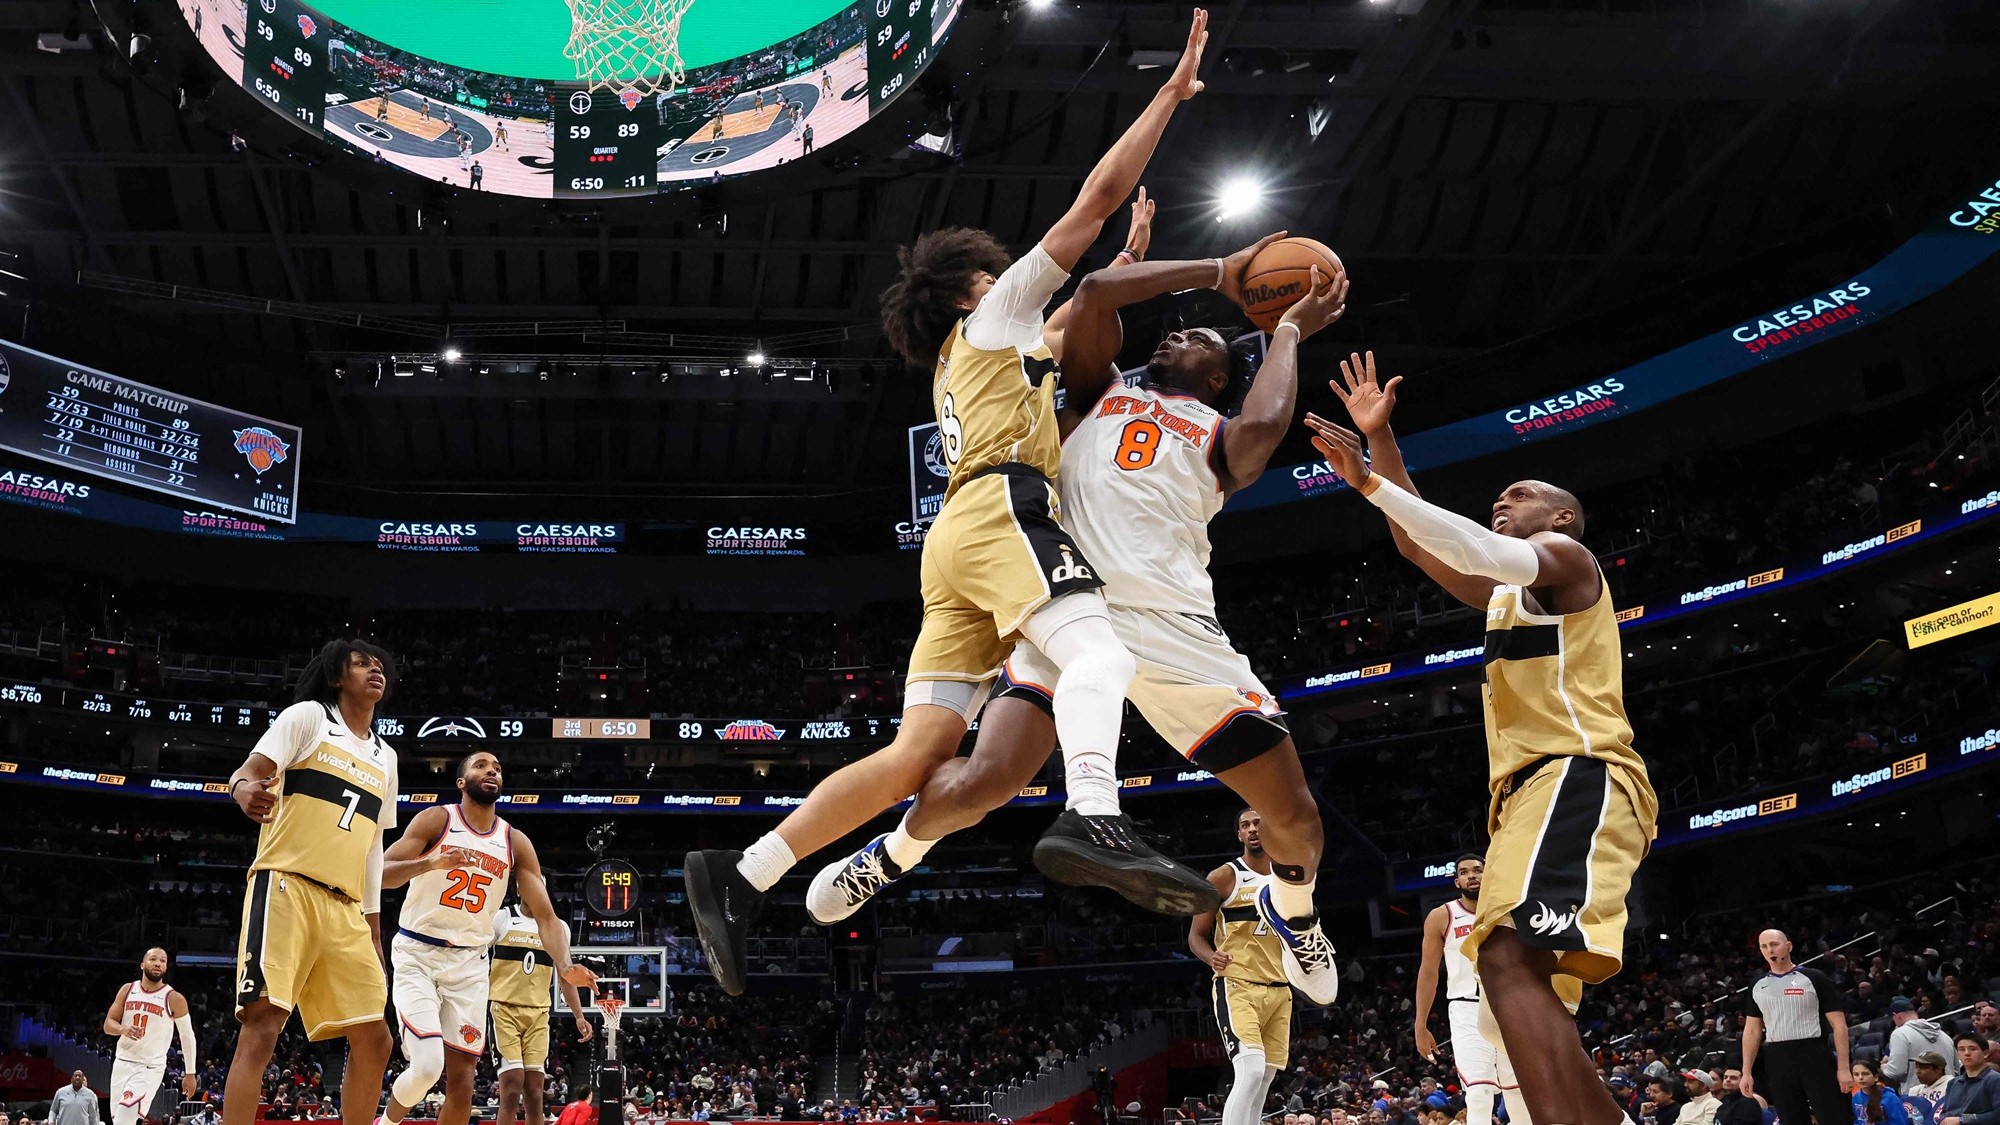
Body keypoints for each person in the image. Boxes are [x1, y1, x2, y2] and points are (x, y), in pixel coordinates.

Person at [682, 9, 1220, 995]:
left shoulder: (971, 355)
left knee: (917, 754)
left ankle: (742, 871)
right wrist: (1167, 97)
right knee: (1100, 653)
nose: (1014, 270)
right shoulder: (996, 312)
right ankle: (1093, 813)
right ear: (975, 286)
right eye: (1000, 268)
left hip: (955, 541)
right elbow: (1094, 200)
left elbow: (1083, 311)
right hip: (1005, 510)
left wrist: (1129, 259)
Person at [805, 217, 1350, 1004]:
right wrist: (1201, 269)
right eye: (1173, 332)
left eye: (1198, 339)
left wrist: (1289, 328)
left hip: (1175, 630)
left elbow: (1266, 427)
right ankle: (890, 854)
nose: (1175, 337)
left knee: (1294, 813)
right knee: (985, 779)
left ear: (1220, 376)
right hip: (1067, 604)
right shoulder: (1102, 390)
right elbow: (1093, 291)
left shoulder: (1221, 435)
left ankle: (1295, 914)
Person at [1311, 356, 1657, 1125]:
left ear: (1562, 518)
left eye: (1521, 494)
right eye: (1500, 496)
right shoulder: (1509, 594)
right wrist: (1382, 441)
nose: (1502, 499)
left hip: (1578, 772)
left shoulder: (1568, 560)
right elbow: (1421, 548)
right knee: (1513, 983)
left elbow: (1469, 547)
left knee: (1504, 960)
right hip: (1525, 799)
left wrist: (1369, 481)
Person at [223, 640, 400, 1125]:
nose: (375, 670)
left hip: (346, 908)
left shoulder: (387, 757)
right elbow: (246, 773)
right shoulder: (308, 718)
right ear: (337, 676)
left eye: (379, 665)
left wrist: (374, 927)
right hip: (286, 886)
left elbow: (373, 849)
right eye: (361, 663)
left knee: (376, 1039)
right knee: (263, 1024)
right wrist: (243, 790)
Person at [376, 752, 596, 1125]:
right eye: (480, 765)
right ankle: (386, 1123)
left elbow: (546, 917)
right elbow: (380, 874)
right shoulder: (437, 819)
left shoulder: (515, 842)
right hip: (419, 953)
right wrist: (431, 862)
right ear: (461, 782)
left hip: (470, 964)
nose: (491, 770)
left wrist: (565, 964)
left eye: (497, 767)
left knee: (463, 1083)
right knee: (428, 1067)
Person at [1188, 810, 1295, 1125]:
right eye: (1245, 825)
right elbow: (1195, 936)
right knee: (1250, 1071)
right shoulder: (1224, 876)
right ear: (1239, 835)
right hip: (1238, 985)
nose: (1252, 829)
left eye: (1258, 823)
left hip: (1280, 989)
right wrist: (1210, 957)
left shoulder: (1289, 876)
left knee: (1264, 1079)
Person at [1416, 855, 1506, 1125]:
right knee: (1478, 1093)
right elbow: (1428, 972)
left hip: (1508, 1005)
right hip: (1467, 1008)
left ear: (1488, 875)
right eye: (1464, 872)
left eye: (1477, 870)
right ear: (1457, 882)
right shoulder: (1442, 916)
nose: (1472, 876)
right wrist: (1420, 1024)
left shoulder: (1506, 910)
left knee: (1518, 1091)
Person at [492, 900, 594, 1125]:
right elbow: (477, 957)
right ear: (520, 889)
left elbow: (566, 975)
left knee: (535, 1093)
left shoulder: (558, 927)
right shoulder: (502, 918)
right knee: (512, 1087)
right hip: (503, 1009)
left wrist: (579, 1015)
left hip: (538, 1013)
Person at [1740, 930, 1853, 1125]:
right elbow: (1752, 1031)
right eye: (1764, 946)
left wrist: (1843, 1068)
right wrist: (1746, 1072)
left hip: (1814, 1053)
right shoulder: (1756, 984)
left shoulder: (1814, 977)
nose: (1770, 950)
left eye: (1774, 944)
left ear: (1788, 946)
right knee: (1791, 1118)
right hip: (1777, 1057)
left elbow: (1839, 1025)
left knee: (1833, 1116)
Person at [102, 947, 200, 1125]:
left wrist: (190, 1073)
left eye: (162, 961)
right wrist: (123, 1029)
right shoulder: (127, 990)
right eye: (153, 959)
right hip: (122, 1062)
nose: (158, 964)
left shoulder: (174, 998)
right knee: (119, 1121)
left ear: (166, 967)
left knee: (125, 1116)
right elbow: (108, 1024)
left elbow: (187, 1036)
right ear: (142, 964)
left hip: (149, 1067)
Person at [1887, 999, 1960, 1094]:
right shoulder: (1944, 1036)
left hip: (1917, 1096)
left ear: (1897, 1016)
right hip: (1948, 1093)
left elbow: (1896, 1070)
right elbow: (1956, 1069)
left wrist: (1884, 1068)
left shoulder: (1900, 1034)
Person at [1938, 1035, 1997, 1125]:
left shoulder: (1995, 1080)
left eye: (1972, 1049)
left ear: (1985, 1053)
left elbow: (1997, 1114)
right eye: (1961, 1049)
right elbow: (1944, 1113)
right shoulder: (1953, 1083)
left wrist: (1962, 1120)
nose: (1967, 1053)